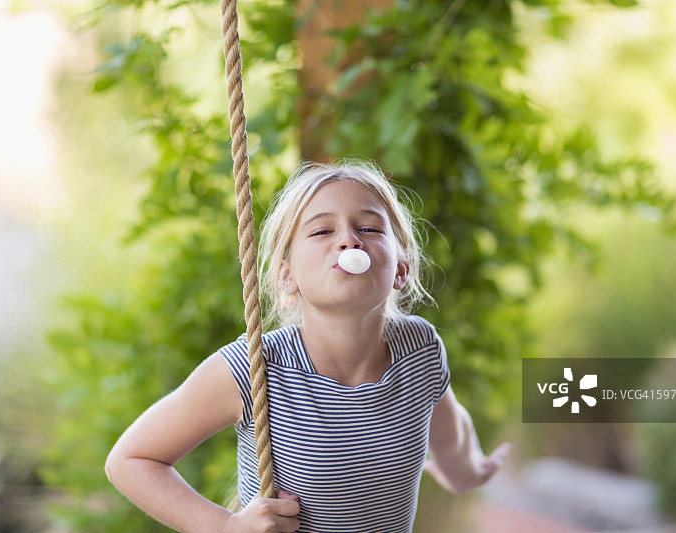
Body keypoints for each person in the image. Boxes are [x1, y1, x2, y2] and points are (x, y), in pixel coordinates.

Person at [105, 160, 511, 533]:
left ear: (401, 269)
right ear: (287, 278)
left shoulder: (420, 350)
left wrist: (476, 471)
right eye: (322, 231)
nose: (349, 240)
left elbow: (453, 446)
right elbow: (131, 460)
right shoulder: (254, 368)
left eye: (369, 227)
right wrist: (226, 528)